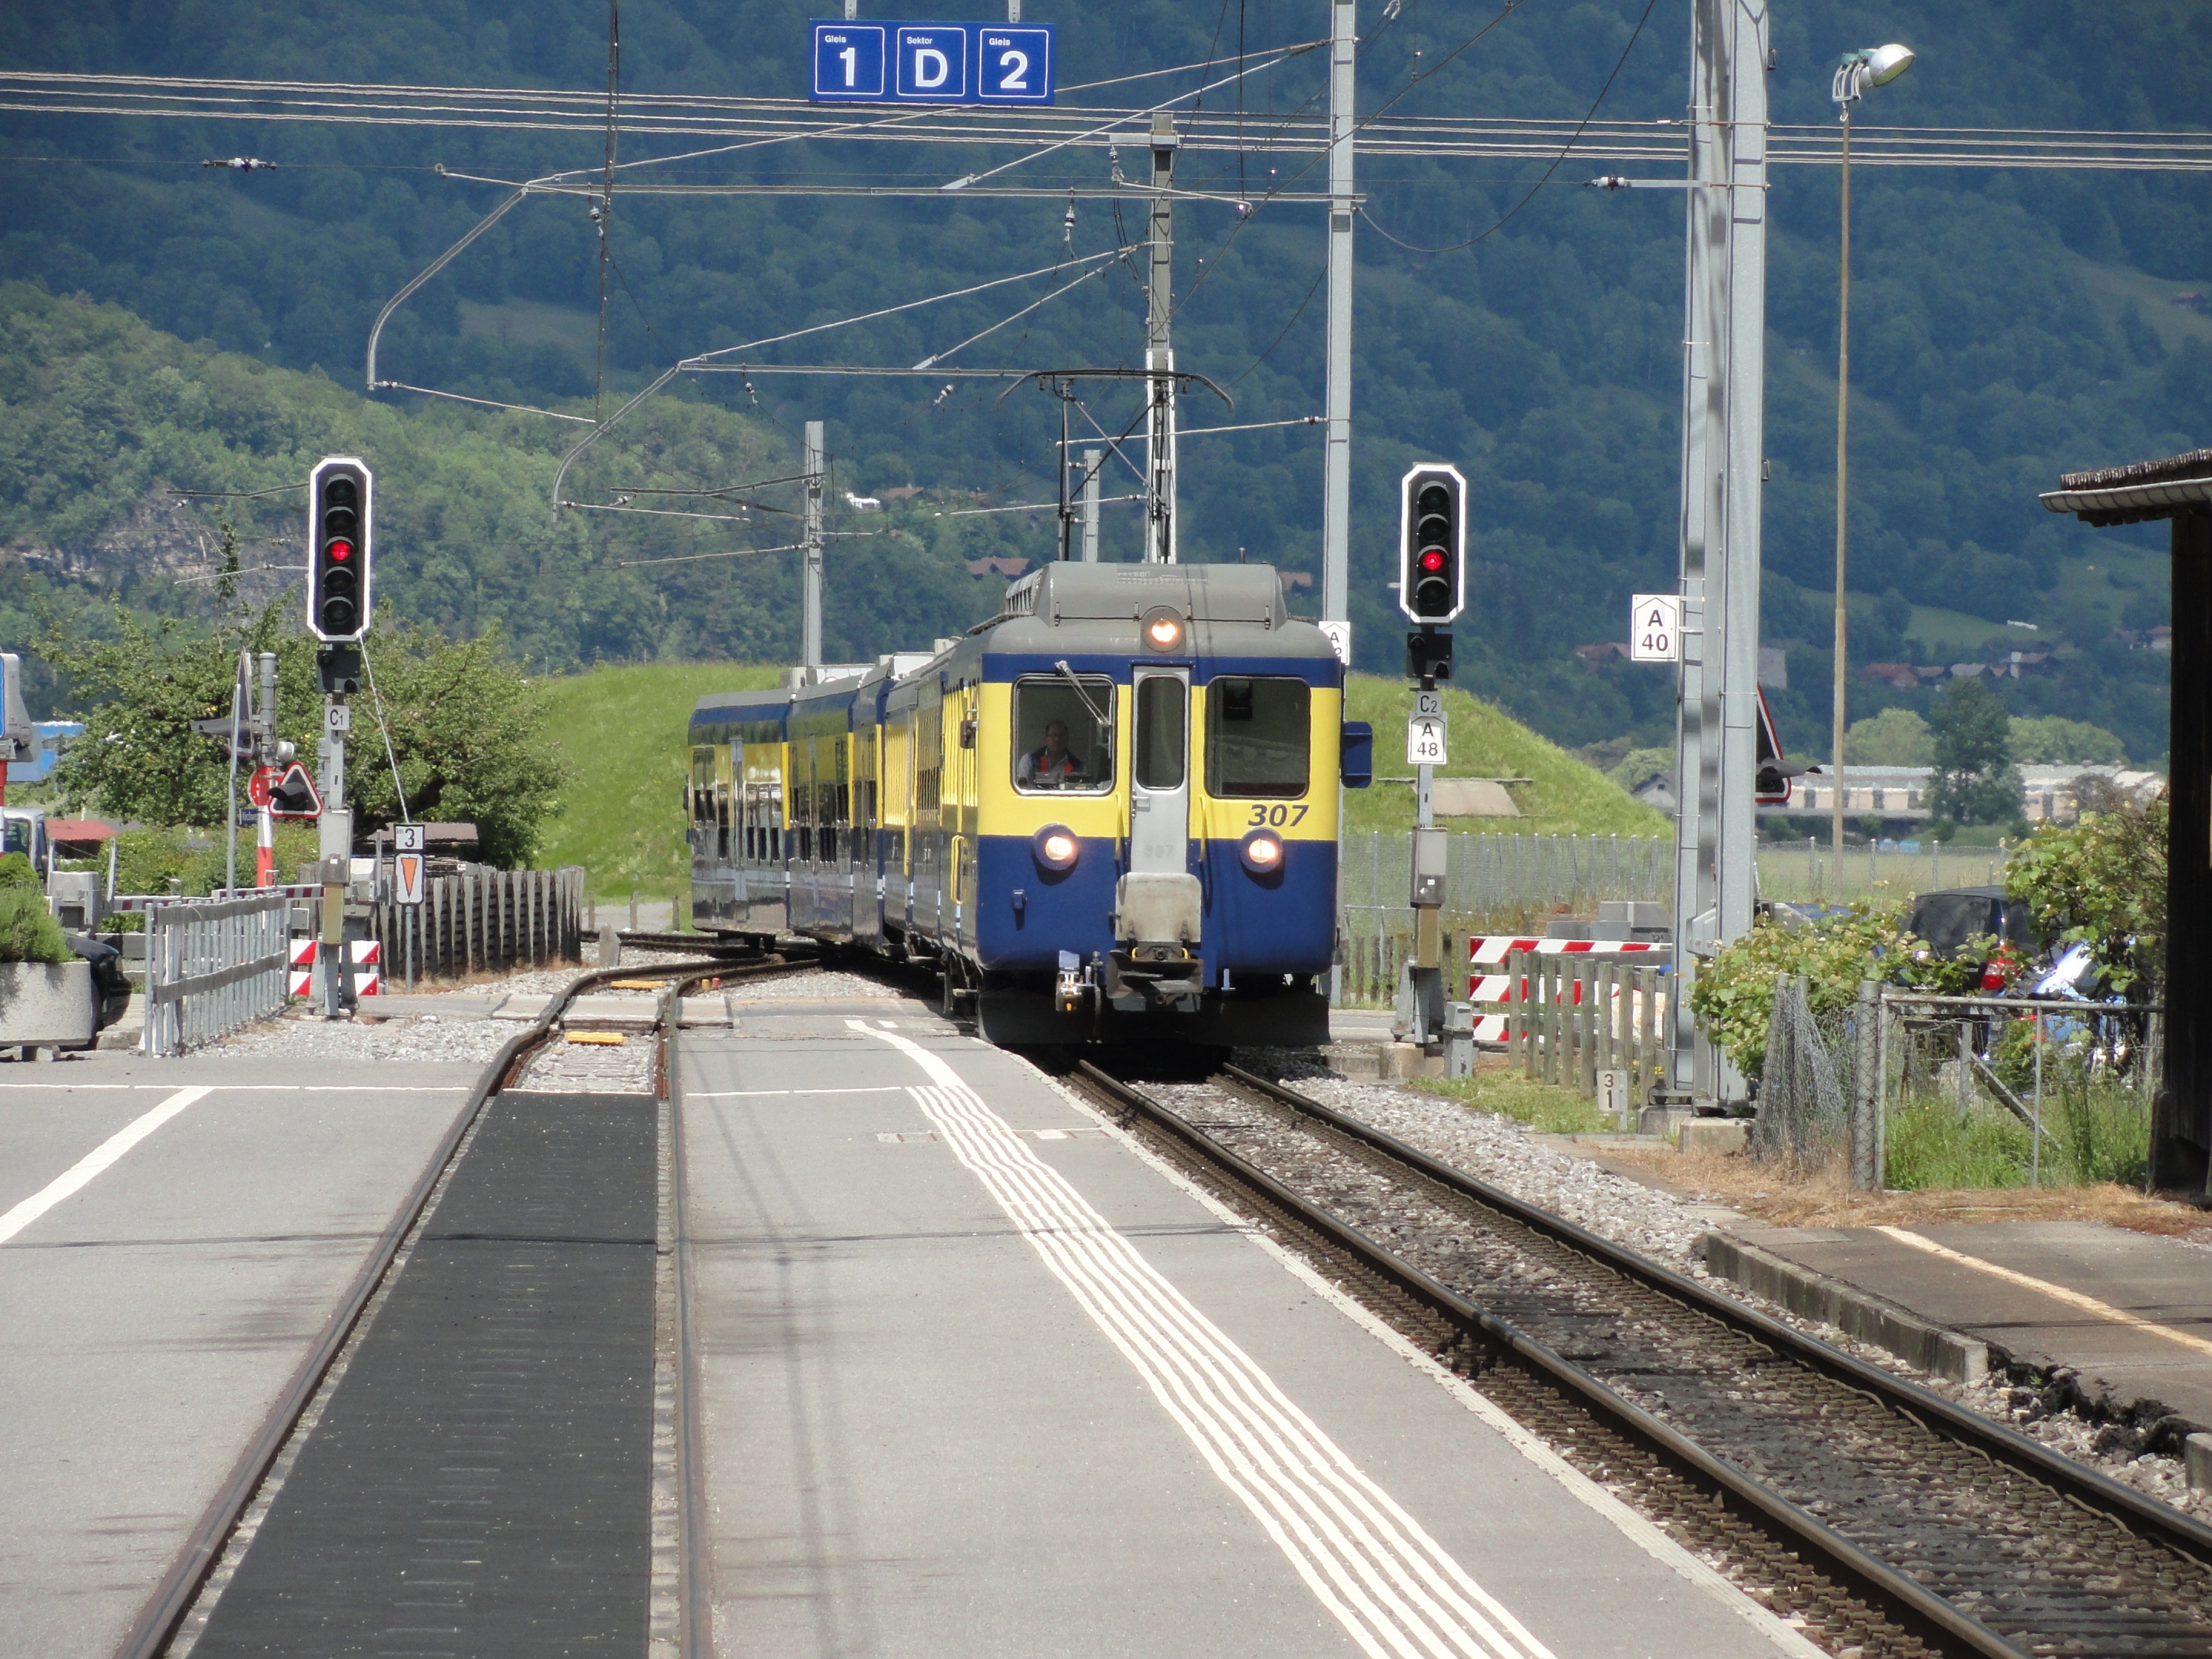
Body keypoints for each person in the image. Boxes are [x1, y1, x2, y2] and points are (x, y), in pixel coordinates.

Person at [1018, 718, 1086, 786]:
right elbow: (1021, 789)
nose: (1057, 739)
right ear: (1046, 739)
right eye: (1053, 735)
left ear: (1067, 738)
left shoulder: (1079, 767)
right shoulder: (1029, 760)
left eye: (1061, 735)